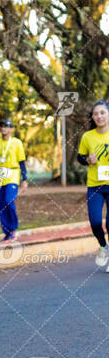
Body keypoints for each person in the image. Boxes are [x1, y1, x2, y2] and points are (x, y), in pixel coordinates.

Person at [0, 119, 28, 241]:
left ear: (11, 129)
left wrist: (25, 179)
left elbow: (22, 162)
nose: (4, 129)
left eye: (6, 126)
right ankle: (7, 232)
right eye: (2, 126)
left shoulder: (17, 143)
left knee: (9, 200)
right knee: (2, 204)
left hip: (13, 173)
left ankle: (13, 229)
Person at [77, 100, 109, 269]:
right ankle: (103, 246)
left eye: (103, 112)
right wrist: (87, 159)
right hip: (95, 186)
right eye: (96, 113)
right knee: (95, 222)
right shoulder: (87, 136)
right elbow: (80, 157)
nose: (99, 116)